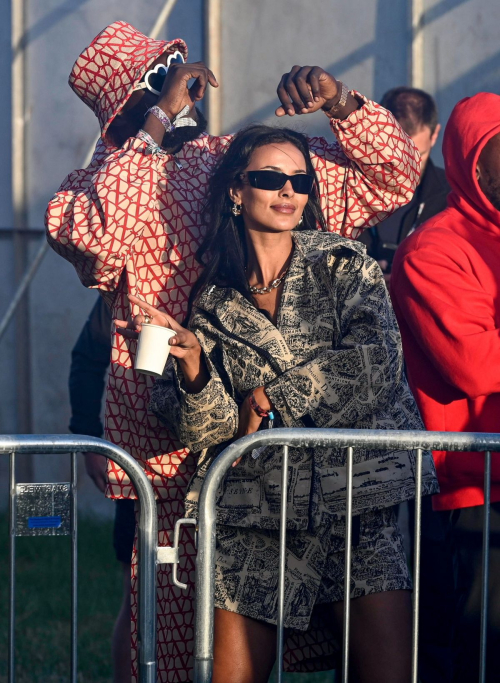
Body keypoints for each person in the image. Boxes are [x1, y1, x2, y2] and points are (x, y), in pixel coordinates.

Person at [45, 20, 421, 681]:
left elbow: (393, 176)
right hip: (168, 438)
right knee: (163, 623)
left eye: (175, 73)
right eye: (152, 85)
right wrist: (154, 124)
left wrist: (339, 102)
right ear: (122, 114)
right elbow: (84, 232)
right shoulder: (118, 178)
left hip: (296, 455)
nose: (178, 91)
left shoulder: (250, 166)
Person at [116, 123, 439, 683]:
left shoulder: (345, 264)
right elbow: (211, 429)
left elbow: (375, 365)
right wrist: (192, 366)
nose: (288, 191)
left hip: (359, 504)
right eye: (270, 178)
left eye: (300, 180)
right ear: (237, 193)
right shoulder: (212, 303)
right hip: (258, 509)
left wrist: (268, 398)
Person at [390, 92, 500, 683]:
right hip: (473, 496)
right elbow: (473, 365)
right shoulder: (433, 249)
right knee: (477, 656)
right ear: (474, 162)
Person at [69, 297, 135, 683]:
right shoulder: (135, 273)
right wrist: (89, 436)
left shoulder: (230, 256)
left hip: (214, 459)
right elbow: (88, 357)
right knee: (139, 592)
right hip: (145, 460)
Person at [358, 87, 449, 282]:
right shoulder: (342, 187)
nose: (404, 169)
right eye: (394, 156)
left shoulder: (454, 197)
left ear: (435, 135)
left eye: (418, 156)